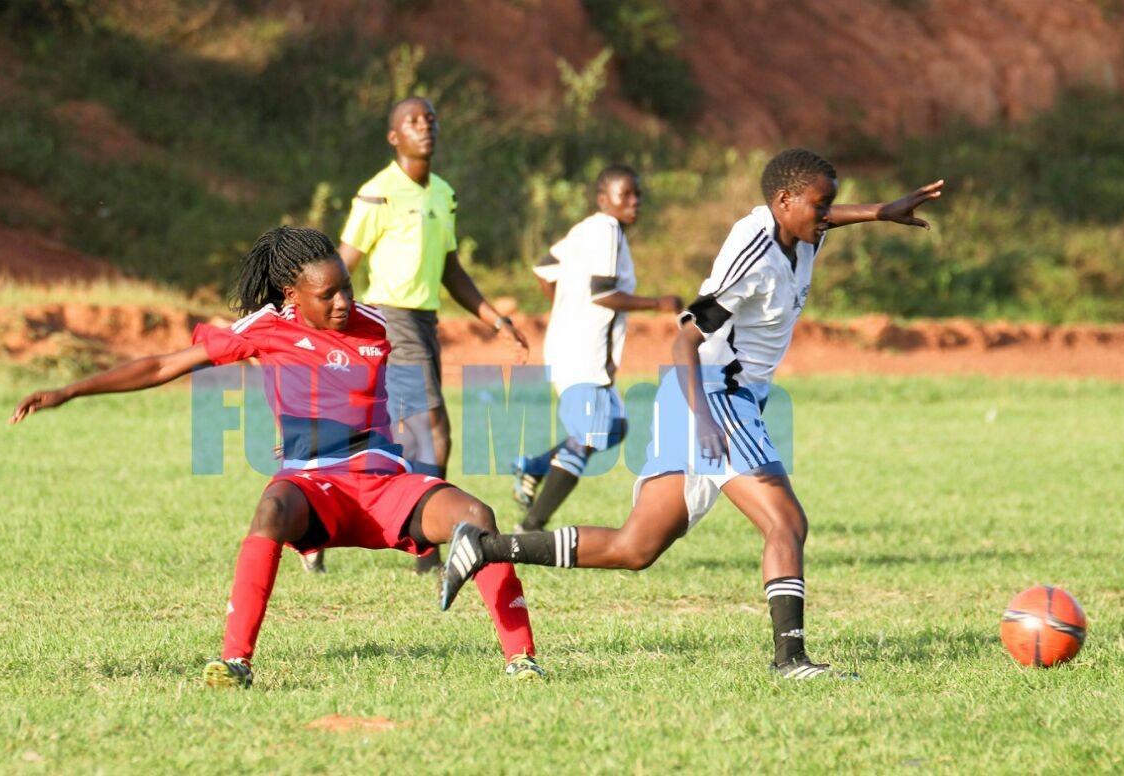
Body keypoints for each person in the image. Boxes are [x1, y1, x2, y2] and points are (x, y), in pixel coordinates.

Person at [440, 149, 944, 680]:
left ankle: (484, 547)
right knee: (786, 521)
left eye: (831, 206)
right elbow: (684, 339)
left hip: (711, 399)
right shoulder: (752, 253)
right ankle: (790, 660)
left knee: (635, 547)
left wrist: (880, 211)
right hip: (711, 393)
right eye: (822, 205)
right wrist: (703, 417)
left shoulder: (801, 230)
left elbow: (820, 217)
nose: (828, 216)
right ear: (783, 201)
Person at [10, 226, 546, 687]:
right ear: (293, 294)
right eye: (328, 294)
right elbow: (160, 367)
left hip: (384, 484)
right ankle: (234, 660)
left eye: (347, 288)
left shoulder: (376, 325)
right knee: (271, 508)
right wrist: (69, 391)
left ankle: (521, 660)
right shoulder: (268, 328)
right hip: (316, 487)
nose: (342, 302)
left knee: (476, 517)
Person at [332, 96, 528, 576]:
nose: (425, 127)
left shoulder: (443, 193)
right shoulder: (377, 193)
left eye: (431, 119)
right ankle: (433, 547)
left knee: (401, 437)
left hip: (425, 322)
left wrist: (494, 319)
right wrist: (332, 321)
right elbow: (341, 264)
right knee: (435, 433)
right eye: (412, 121)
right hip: (390, 318)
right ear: (393, 136)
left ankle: (329, 517)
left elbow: (451, 270)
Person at [511, 164, 682, 533]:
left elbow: (543, 269)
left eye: (638, 194)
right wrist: (658, 303)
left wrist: (565, 309)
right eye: (626, 195)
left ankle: (536, 465)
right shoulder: (606, 230)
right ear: (604, 200)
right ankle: (532, 525)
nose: (635, 202)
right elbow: (604, 294)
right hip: (581, 352)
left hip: (575, 347)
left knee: (615, 427)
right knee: (590, 435)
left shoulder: (587, 228)